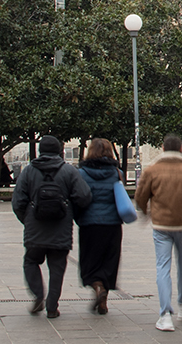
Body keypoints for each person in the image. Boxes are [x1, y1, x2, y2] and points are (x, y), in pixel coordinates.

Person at [11, 135, 91, 318]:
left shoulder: (29, 171)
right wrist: (71, 212)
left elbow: (17, 202)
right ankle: (52, 306)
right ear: (60, 151)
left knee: (30, 261)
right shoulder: (69, 171)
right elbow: (84, 196)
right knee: (57, 267)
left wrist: (28, 219)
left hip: (35, 228)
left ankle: (38, 294)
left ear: (40, 151)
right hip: (61, 228)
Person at [134, 135, 182, 331]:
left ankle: (165, 314)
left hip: (161, 225)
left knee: (162, 267)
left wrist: (148, 211)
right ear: (181, 149)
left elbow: (140, 196)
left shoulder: (152, 170)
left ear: (163, 148)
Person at [75, 138, 126, 315]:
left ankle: (97, 286)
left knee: (90, 260)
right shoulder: (117, 173)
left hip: (90, 223)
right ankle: (104, 296)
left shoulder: (81, 173)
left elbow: (78, 197)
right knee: (109, 260)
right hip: (112, 224)